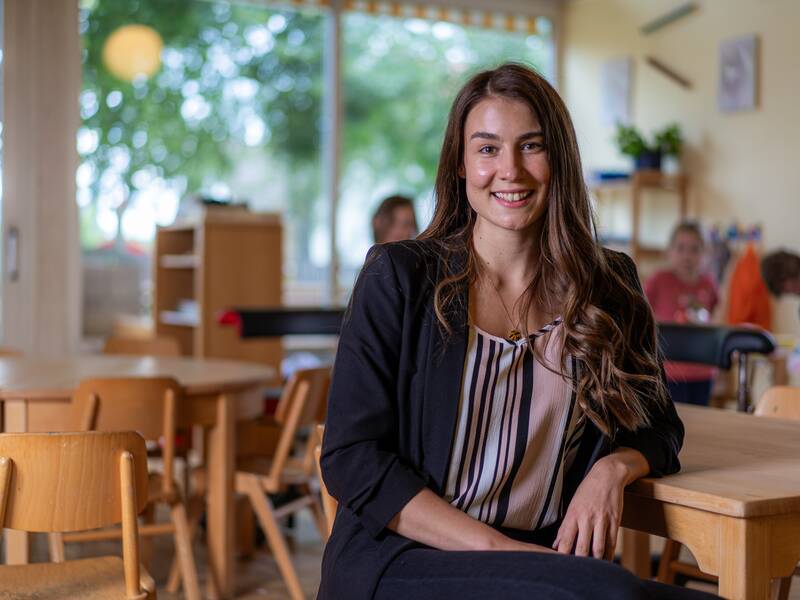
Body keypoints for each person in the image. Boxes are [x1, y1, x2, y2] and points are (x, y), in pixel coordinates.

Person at [320, 64, 716, 600]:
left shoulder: (609, 285)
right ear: (460, 165)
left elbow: (661, 429)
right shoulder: (399, 276)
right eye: (487, 149)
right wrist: (494, 550)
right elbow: (351, 458)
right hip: (402, 559)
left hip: (545, 562)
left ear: (559, 160)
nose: (510, 170)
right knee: (609, 593)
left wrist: (613, 469)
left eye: (531, 146)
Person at [645, 222, 719, 406]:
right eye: (680, 248)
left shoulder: (709, 284)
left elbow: (715, 320)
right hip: (667, 372)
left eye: (695, 249)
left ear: (705, 254)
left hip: (703, 372)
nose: (687, 256)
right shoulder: (658, 280)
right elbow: (641, 316)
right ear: (670, 251)